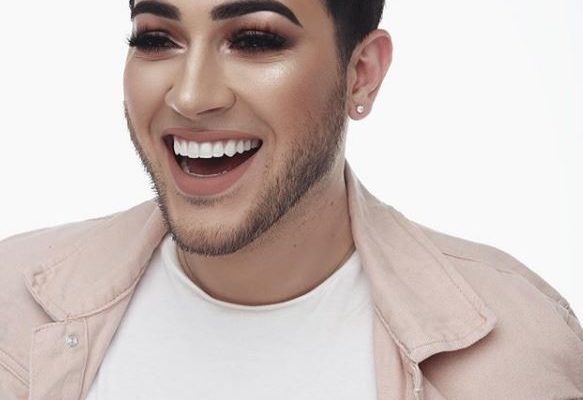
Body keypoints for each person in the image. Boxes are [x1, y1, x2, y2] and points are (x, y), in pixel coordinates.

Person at [1, 0, 582, 399]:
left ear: (361, 74)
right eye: (156, 38)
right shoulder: (11, 305)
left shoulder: (515, 347)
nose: (191, 96)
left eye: (254, 39)